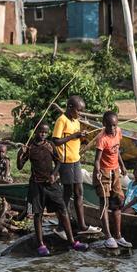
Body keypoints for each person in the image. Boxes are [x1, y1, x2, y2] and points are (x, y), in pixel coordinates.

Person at [16, 123, 88, 256]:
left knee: (62, 209)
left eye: (45, 132)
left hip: (51, 184)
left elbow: (58, 161)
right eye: (41, 132)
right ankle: (41, 244)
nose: (43, 134)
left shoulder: (50, 145)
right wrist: (20, 154)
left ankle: (72, 242)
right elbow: (20, 166)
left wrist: (54, 174)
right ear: (36, 131)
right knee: (37, 214)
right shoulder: (30, 147)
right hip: (36, 185)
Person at [52, 95, 100, 235]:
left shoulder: (76, 121)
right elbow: (56, 141)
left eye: (81, 111)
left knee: (79, 192)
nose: (80, 113)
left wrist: (82, 138)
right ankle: (61, 226)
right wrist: (74, 136)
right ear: (70, 107)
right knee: (67, 193)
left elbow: (76, 139)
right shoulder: (62, 120)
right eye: (78, 110)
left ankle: (82, 226)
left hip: (75, 160)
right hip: (65, 162)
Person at [94, 111, 132, 249]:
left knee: (118, 202)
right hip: (104, 172)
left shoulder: (118, 132)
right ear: (104, 124)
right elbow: (97, 160)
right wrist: (97, 172)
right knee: (104, 203)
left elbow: (117, 151)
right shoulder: (102, 138)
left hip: (115, 171)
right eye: (109, 125)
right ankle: (108, 236)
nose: (112, 128)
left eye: (114, 125)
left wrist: (122, 165)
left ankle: (118, 235)